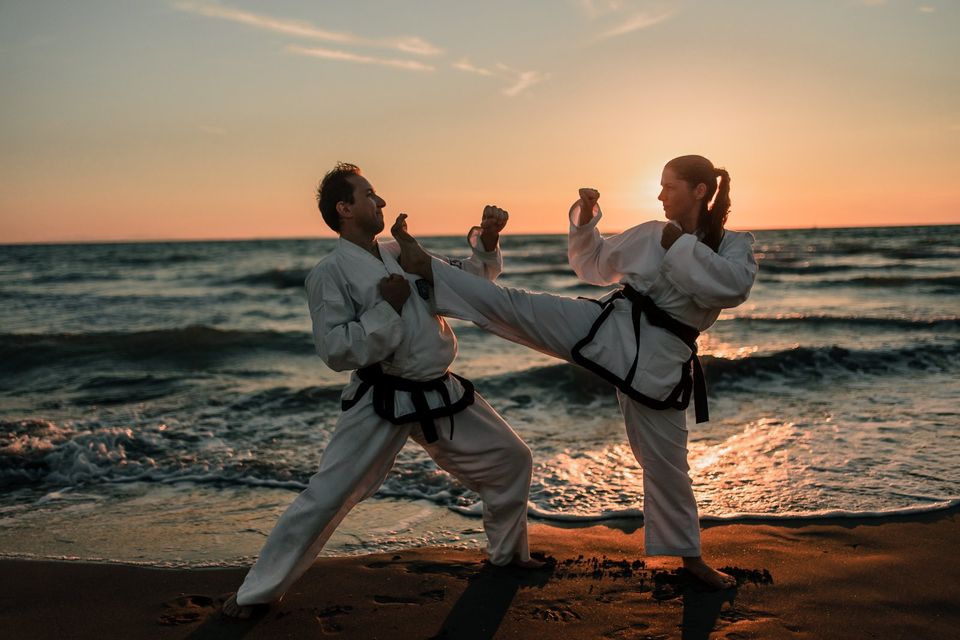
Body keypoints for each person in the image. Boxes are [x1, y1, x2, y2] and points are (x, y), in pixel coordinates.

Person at [391, 155, 757, 589]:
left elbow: (732, 287)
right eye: (659, 186)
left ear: (699, 190)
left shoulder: (732, 244)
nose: (659, 195)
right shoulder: (651, 233)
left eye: (670, 187)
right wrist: (585, 221)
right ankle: (428, 271)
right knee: (519, 304)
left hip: (656, 365)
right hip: (608, 329)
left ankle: (690, 561)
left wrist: (678, 244)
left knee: (665, 464)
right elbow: (595, 264)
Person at [223, 163, 540, 618]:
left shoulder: (399, 251)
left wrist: (488, 242)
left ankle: (509, 557)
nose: (382, 201)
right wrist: (387, 310)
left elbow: (465, 284)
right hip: (380, 397)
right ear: (345, 208)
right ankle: (254, 594)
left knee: (512, 458)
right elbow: (336, 350)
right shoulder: (329, 274)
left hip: (438, 390)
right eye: (370, 194)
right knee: (327, 495)